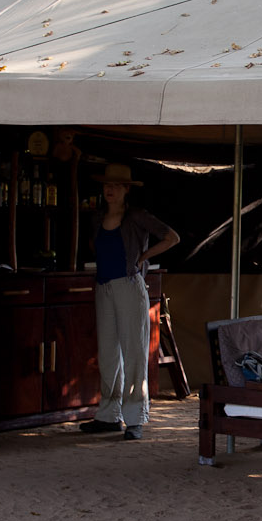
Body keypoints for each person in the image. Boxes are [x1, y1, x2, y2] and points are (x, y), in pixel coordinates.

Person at [80, 162, 178, 440]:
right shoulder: (97, 218)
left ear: (126, 189)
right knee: (109, 353)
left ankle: (135, 418)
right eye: (106, 185)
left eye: (115, 185)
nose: (109, 190)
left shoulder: (136, 216)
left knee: (134, 352)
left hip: (129, 286)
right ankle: (109, 415)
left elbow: (172, 237)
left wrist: (144, 258)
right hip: (104, 287)